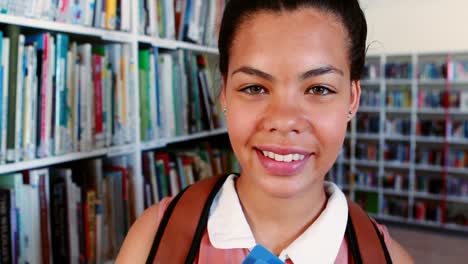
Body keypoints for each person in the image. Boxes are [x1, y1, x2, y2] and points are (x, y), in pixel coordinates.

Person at [117, 0, 414, 263]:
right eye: (254, 87)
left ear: (352, 99)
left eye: (318, 88)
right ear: (224, 94)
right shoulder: (153, 240)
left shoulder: (388, 258)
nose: (283, 121)